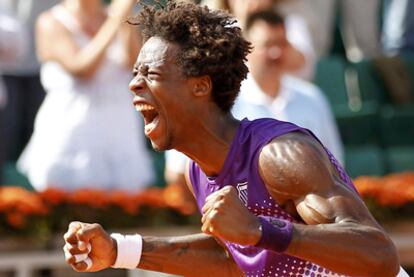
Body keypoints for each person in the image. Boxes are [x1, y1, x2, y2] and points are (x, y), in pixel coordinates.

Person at [63, 2, 405, 276]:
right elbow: (233, 257)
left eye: (150, 73)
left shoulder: (278, 154)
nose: (134, 84)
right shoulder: (198, 170)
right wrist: (119, 250)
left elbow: (379, 256)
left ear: (200, 85)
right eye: (136, 73)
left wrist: (259, 229)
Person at [17, 0, 154, 191]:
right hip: (71, 128)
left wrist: (124, 23)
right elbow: (82, 69)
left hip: (119, 126)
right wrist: (114, 21)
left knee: (125, 204)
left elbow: (135, 68)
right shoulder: (50, 21)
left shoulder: (117, 17)